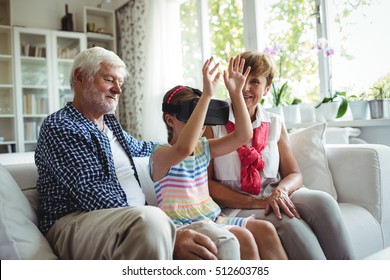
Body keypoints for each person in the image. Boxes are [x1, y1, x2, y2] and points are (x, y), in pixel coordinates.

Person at [34, 46, 241, 260]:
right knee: (153, 221)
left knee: (220, 240)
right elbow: (93, 194)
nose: (118, 90)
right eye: (109, 79)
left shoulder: (112, 127)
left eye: (120, 83)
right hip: (77, 221)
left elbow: (149, 149)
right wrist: (170, 233)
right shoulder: (61, 126)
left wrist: (181, 148)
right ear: (80, 77)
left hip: (136, 219)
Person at [204, 51, 356, 260]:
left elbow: (294, 173)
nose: (245, 87)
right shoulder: (213, 124)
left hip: (274, 193)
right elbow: (206, 184)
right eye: (241, 79)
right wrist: (255, 202)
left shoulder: (275, 122)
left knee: (324, 201)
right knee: (290, 224)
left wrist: (281, 192)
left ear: (267, 89)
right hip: (235, 205)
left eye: (254, 81)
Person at [151, 55, 288, 260]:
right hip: (185, 225)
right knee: (243, 237)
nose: (201, 125)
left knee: (266, 230)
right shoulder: (160, 154)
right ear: (169, 120)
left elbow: (243, 135)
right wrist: (207, 95)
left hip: (212, 217)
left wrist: (236, 94)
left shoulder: (204, 149)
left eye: (203, 117)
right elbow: (183, 149)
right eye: (193, 118)